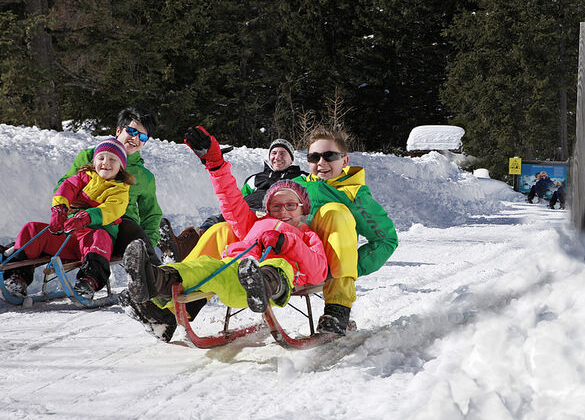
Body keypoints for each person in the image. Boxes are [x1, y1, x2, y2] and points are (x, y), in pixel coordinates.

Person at [120, 126, 328, 343]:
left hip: (273, 282)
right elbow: (231, 200)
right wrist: (215, 164)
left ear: (303, 210)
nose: (283, 211)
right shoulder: (254, 222)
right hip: (236, 271)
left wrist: (287, 242)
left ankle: (261, 284)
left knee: (279, 265)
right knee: (205, 267)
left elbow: (318, 271)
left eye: (291, 205)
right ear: (267, 210)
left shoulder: (306, 235)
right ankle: (155, 280)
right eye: (276, 206)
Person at [294, 126, 398, 335]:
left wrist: (349, 266)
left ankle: (337, 310)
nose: (321, 163)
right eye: (314, 157)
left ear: (345, 160)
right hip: (290, 261)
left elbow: (386, 240)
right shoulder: (295, 186)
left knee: (335, 212)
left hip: (328, 268)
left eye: (329, 156)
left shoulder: (354, 195)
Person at [4, 138, 134, 300]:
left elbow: (111, 209)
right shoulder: (83, 177)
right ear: (94, 161)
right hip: (68, 237)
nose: (105, 163)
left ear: (121, 165)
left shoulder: (120, 189)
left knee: (100, 236)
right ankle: (18, 277)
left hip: (92, 242)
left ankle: (89, 281)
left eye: (112, 159)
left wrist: (86, 217)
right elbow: (66, 187)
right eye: (101, 158)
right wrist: (59, 210)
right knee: (32, 229)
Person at [158, 138, 306, 262]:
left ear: (291, 159)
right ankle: (181, 248)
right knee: (215, 220)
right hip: (244, 212)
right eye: (274, 152)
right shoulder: (255, 179)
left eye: (283, 153)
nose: (277, 156)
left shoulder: (300, 178)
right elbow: (236, 198)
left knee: (224, 228)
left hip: (268, 216)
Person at [58, 107, 162, 265]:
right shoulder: (91, 157)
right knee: (38, 233)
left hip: (121, 228)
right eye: (132, 131)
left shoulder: (143, 176)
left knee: (130, 227)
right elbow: (64, 185)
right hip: (83, 219)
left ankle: (158, 278)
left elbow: (151, 215)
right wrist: (67, 206)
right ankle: (15, 272)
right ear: (119, 130)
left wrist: (149, 245)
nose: (135, 139)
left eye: (142, 137)